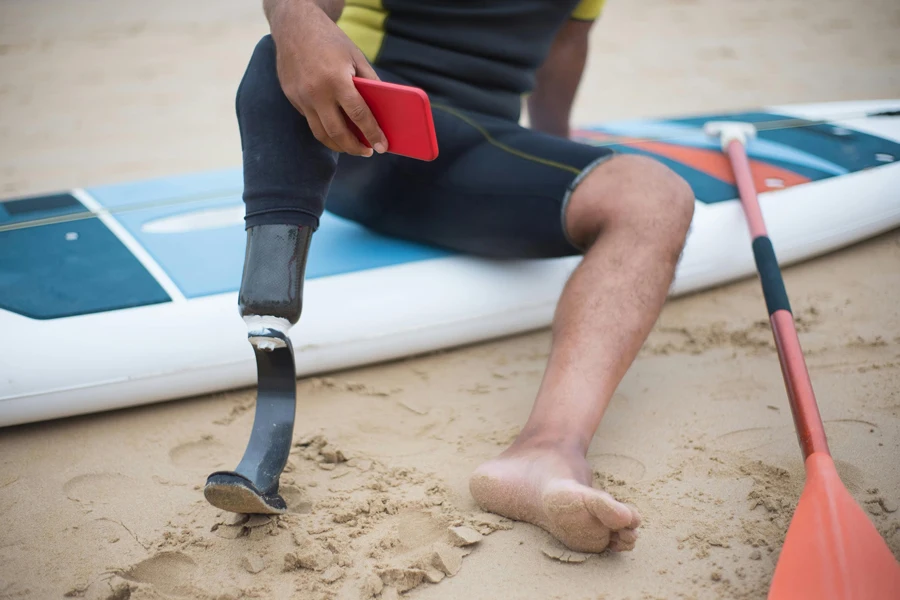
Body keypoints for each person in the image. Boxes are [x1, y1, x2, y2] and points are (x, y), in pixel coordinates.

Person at [227, 0, 695, 554]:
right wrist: (295, 21)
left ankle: (544, 453)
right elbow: (304, 15)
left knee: (654, 197)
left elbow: (566, 45)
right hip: (353, 128)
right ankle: (269, 322)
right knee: (278, 49)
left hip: (471, 165)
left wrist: (564, 167)